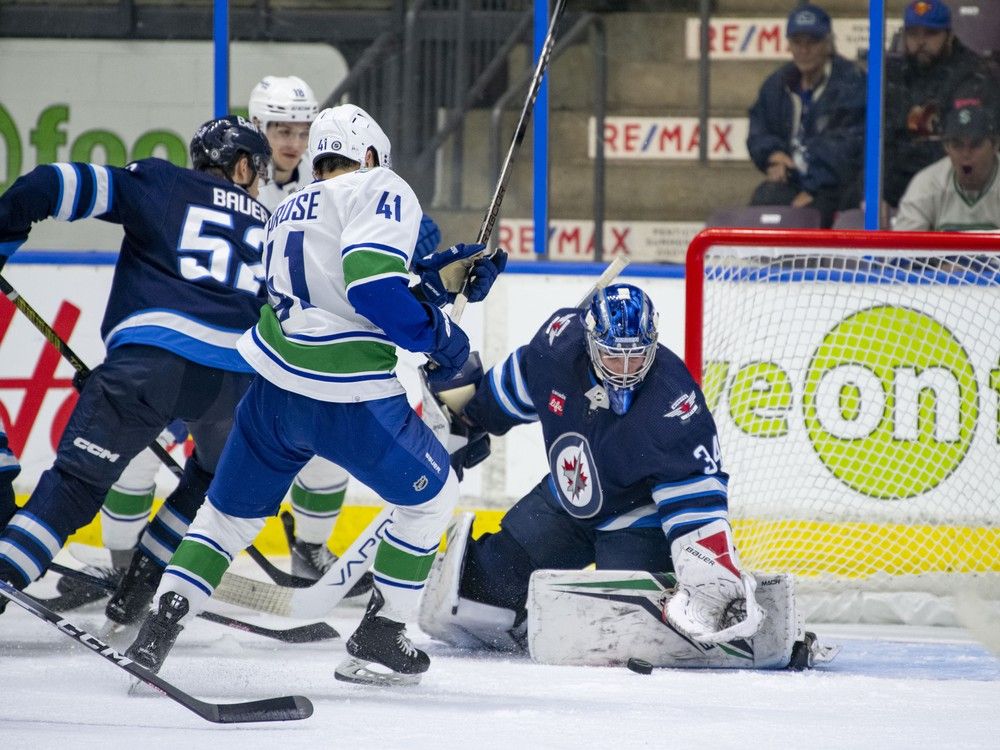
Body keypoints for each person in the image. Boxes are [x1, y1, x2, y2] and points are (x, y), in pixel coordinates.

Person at [124, 104, 507, 685]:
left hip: (272, 393)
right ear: (373, 155)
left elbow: (336, 281)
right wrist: (444, 338)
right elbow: (372, 287)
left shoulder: (292, 206)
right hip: (347, 399)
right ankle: (381, 632)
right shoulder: (381, 185)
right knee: (434, 496)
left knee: (224, 520)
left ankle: (158, 629)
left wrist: (433, 277)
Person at [0, 116, 272, 622]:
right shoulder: (269, 224)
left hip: (147, 366)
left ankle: (5, 573)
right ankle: (142, 582)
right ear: (240, 166)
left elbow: (49, 184)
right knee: (213, 479)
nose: (259, 183)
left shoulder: (163, 181)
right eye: (257, 171)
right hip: (235, 384)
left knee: (75, 486)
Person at [418, 283, 763, 652]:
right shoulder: (559, 348)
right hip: (568, 500)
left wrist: (710, 574)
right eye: (615, 356)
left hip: (636, 518)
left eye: (638, 356)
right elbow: (521, 383)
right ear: (591, 343)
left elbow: (696, 497)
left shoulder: (672, 400)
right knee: (481, 589)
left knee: (626, 630)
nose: (627, 369)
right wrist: (470, 415)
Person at [746, 3, 866, 228]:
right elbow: (759, 128)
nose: (804, 49)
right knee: (764, 199)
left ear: (828, 43)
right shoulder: (777, 84)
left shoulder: (852, 83)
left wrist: (813, 186)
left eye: (812, 42)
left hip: (836, 186)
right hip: (793, 179)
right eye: (797, 42)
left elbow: (848, 148)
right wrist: (774, 154)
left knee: (815, 212)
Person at [883, 0, 1000, 209]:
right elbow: (882, 140)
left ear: (949, 35)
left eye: (930, 33)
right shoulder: (893, 73)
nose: (920, 42)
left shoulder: (973, 75)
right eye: (913, 34)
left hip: (951, 184)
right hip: (897, 180)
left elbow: (963, 148)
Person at [894, 98, 1000, 231]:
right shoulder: (927, 184)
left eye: (976, 144)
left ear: (995, 145)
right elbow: (905, 247)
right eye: (957, 145)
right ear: (946, 147)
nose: (966, 154)